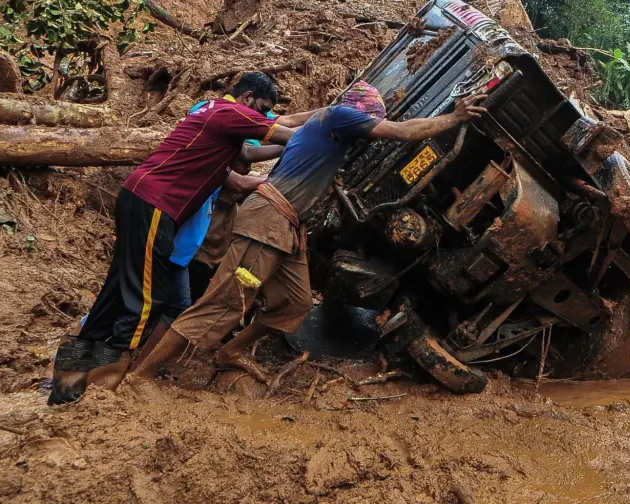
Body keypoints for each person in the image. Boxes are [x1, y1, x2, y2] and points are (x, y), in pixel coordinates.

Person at [132, 81, 487, 383]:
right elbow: (402, 132)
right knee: (224, 301)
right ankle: (142, 375)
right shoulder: (340, 116)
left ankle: (231, 352)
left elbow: (293, 130)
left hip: (286, 228)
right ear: (357, 114)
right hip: (267, 223)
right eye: (368, 121)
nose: (368, 128)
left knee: (296, 302)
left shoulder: (324, 123)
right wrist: (454, 118)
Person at [49, 72, 316, 405]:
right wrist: (333, 131)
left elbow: (251, 155)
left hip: (141, 196)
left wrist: (322, 117)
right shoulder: (230, 112)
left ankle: (67, 382)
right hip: (157, 203)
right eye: (261, 110)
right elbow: (291, 133)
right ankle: (103, 388)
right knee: (146, 298)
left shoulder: (216, 124)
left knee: (118, 288)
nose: (263, 118)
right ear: (247, 99)